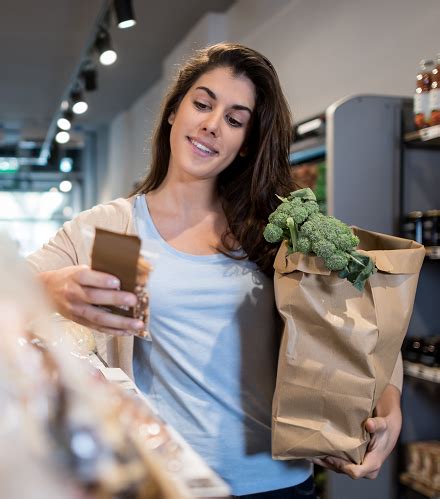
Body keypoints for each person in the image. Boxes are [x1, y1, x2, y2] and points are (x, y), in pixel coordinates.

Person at [28, 43, 402, 498]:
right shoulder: (113, 228)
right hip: (167, 481)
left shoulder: (276, 228)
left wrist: (391, 403)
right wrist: (49, 287)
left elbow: (364, 322)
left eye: (234, 119)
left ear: (246, 144)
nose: (211, 124)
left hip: (277, 482)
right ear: (173, 112)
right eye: (203, 104)